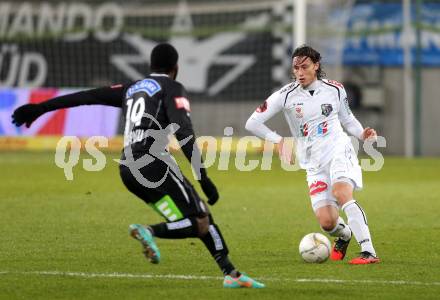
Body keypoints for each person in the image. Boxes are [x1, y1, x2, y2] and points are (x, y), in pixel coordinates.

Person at [12, 43, 265, 288]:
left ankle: (230, 272)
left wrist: (41, 107)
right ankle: (148, 231)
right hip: (152, 163)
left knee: (194, 219)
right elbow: (184, 132)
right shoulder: (172, 87)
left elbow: (88, 96)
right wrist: (203, 177)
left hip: (128, 168)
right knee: (199, 220)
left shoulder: (131, 88)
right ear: (175, 67)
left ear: (150, 65)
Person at [245, 45, 380, 264]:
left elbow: (347, 120)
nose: (299, 72)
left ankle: (368, 251)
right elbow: (252, 123)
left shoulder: (335, 89)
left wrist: (362, 133)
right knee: (327, 222)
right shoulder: (286, 95)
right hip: (313, 162)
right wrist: (278, 141)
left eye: (304, 66)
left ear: (316, 66)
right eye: (295, 68)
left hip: (338, 149)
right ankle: (345, 235)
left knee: (341, 192)